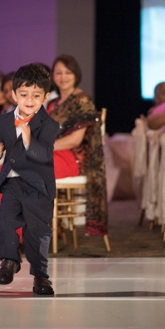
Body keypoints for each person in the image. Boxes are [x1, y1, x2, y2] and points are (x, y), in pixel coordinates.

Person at [0, 63, 59, 296]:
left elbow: (46, 154)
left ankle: (40, 277)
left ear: (45, 97)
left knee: (37, 232)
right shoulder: (5, 121)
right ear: (14, 94)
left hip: (38, 185)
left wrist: (29, 141)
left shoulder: (49, 124)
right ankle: (9, 261)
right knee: (3, 220)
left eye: (36, 96)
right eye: (24, 94)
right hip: (13, 182)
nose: (30, 100)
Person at [47, 54, 108, 237]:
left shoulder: (82, 101)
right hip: (53, 154)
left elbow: (75, 140)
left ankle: (35, 232)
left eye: (68, 72)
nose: (63, 77)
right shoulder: (52, 104)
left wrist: (44, 147)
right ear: (53, 75)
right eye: (59, 72)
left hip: (74, 159)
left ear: (76, 74)